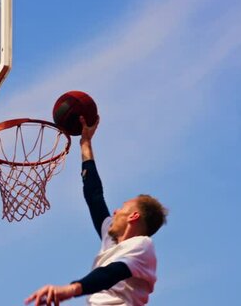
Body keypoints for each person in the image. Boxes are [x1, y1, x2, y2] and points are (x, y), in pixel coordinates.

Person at [25, 116, 168, 306]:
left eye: (122, 208)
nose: (115, 211)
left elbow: (112, 272)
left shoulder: (142, 245)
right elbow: (94, 196)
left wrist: (70, 290)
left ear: (134, 216)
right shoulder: (112, 239)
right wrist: (85, 143)